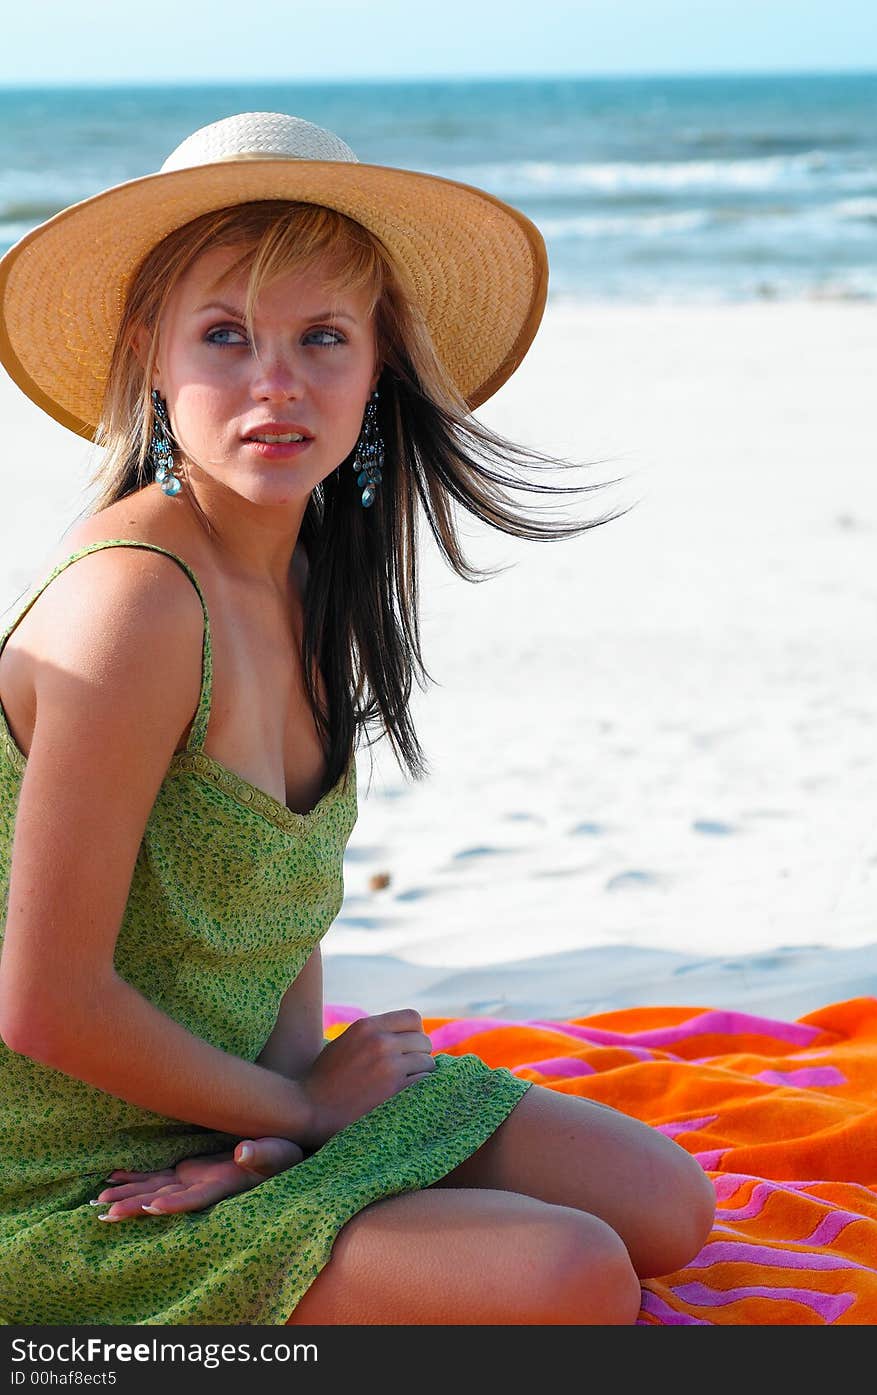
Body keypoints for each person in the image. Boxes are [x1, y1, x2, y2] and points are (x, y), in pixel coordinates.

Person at [0, 111, 715, 1327]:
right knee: (571, 1274)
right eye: (224, 336)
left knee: (661, 1203)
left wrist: (278, 1130)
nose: (275, 384)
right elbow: (43, 1003)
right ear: (149, 356)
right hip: (62, 1171)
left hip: (237, 1104)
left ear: (377, 363)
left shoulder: (301, 568)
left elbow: (271, 909)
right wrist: (307, 1114)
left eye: (321, 337)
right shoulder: (134, 603)